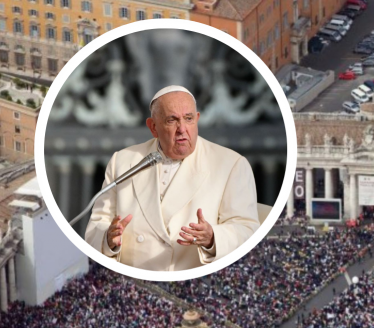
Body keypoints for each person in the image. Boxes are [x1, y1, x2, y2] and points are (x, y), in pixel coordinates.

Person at [84, 86, 260, 271]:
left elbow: (247, 230)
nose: (182, 129)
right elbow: (97, 224)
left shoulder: (231, 164)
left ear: (197, 119)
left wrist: (213, 238)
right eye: (172, 120)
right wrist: (107, 238)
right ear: (153, 127)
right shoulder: (122, 161)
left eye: (188, 119)